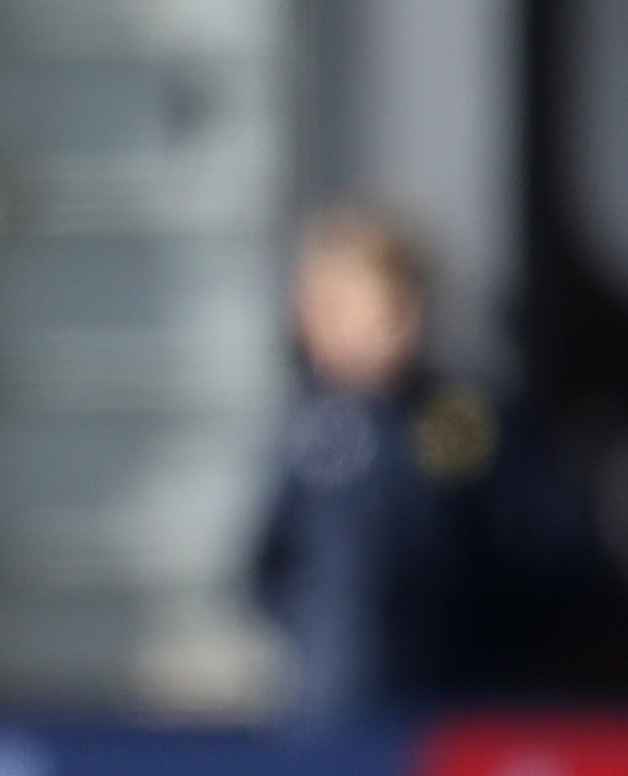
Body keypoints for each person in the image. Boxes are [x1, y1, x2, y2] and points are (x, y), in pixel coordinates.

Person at [250, 205, 589, 722]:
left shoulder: (454, 418)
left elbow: (539, 553)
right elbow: (270, 567)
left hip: (452, 712)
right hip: (336, 709)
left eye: (395, 306)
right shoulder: (311, 427)